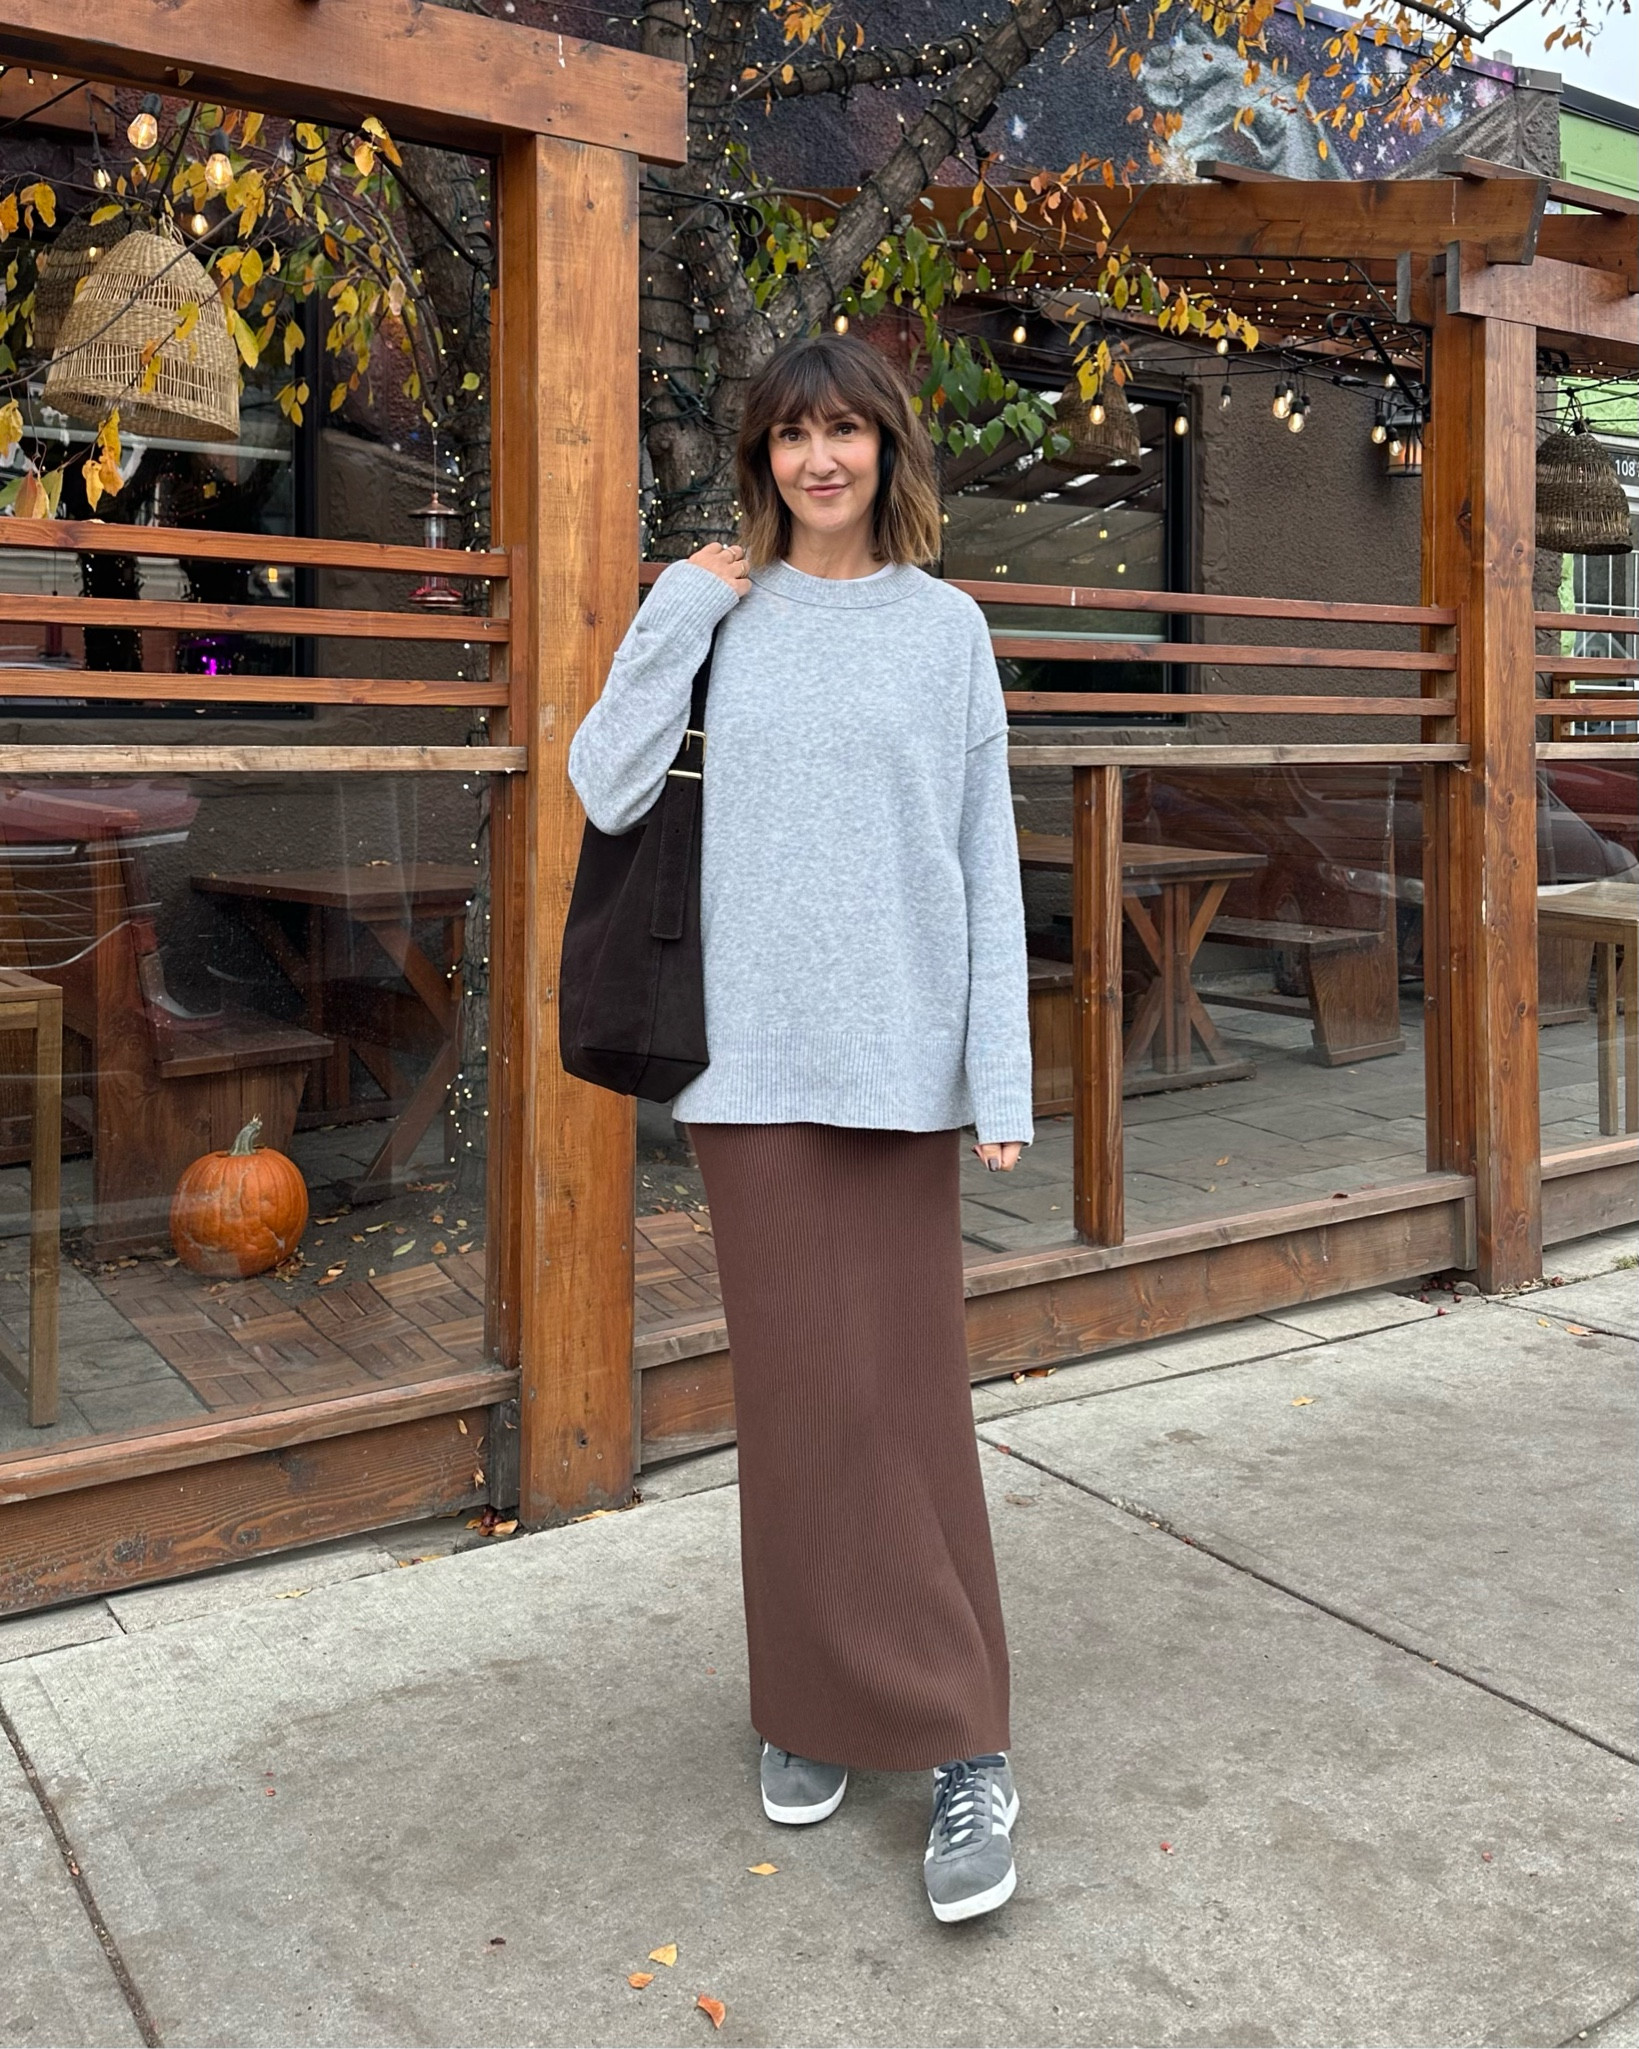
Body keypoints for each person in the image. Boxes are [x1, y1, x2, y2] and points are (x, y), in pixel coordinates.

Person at [567, 331, 1034, 1923]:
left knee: (902, 1395)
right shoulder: (716, 614)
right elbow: (604, 781)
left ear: (888, 449)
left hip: (902, 1069)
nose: (818, 461)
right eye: (790, 438)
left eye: (844, 433)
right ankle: (813, 1701)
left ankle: (967, 1741)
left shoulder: (949, 630)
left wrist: (1004, 1082)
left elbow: (983, 855)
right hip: (747, 1067)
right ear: (762, 458)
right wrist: (683, 604)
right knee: (799, 1394)